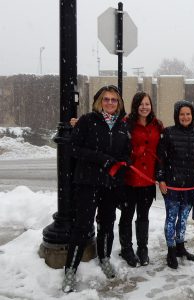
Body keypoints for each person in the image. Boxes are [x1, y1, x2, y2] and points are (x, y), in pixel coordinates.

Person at [62, 85, 131, 293]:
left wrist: (122, 164)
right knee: (82, 226)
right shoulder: (87, 121)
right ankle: (70, 270)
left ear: (119, 103)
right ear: (99, 101)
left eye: (114, 100)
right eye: (106, 99)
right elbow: (74, 148)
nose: (110, 103)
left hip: (110, 185)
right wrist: (103, 160)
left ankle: (104, 258)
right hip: (88, 182)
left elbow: (126, 153)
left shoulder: (122, 126)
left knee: (107, 224)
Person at [156, 100, 194, 269]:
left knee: (183, 219)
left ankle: (180, 247)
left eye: (188, 114)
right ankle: (171, 250)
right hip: (172, 186)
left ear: (192, 115)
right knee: (172, 218)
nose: (185, 117)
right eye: (182, 114)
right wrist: (161, 178)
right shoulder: (168, 133)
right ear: (177, 116)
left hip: (190, 187)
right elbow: (160, 159)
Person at [118, 92, 163, 267]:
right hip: (129, 179)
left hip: (148, 180)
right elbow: (120, 147)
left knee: (143, 216)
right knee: (127, 215)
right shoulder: (126, 124)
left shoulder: (157, 125)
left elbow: (161, 151)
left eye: (148, 104)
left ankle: (142, 249)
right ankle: (126, 249)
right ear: (136, 106)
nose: (145, 107)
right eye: (141, 104)